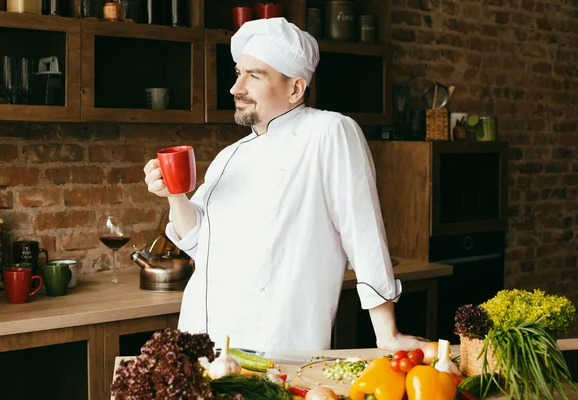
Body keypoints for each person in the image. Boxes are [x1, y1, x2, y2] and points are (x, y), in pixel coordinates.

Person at [144, 17, 427, 352]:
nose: (237, 88)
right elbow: (197, 242)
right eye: (238, 73)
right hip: (199, 340)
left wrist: (387, 334)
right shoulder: (229, 157)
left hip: (273, 347)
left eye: (255, 75)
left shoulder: (329, 132)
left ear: (295, 89)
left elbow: (363, 234)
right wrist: (175, 194)